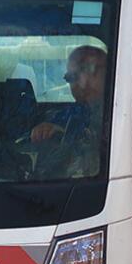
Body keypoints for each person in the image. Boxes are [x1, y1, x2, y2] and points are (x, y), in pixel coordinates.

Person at [28, 45, 106, 177]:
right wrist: (47, 131)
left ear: (109, 71)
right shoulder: (69, 114)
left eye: (89, 70)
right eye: (72, 77)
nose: (82, 83)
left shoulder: (119, 112)